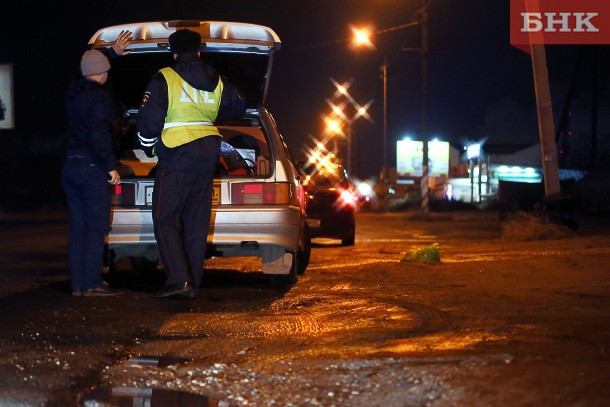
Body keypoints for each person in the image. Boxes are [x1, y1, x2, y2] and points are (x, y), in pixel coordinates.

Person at [137, 28, 246, 298]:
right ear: (198, 50)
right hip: (208, 155)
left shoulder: (165, 78)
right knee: (196, 222)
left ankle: (178, 281)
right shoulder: (217, 80)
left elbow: (149, 121)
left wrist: (151, 148)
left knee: (165, 218)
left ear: (174, 52)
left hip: (177, 154)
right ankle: (192, 282)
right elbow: (240, 105)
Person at [62, 31, 132, 297]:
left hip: (71, 167)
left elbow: (85, 68)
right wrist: (110, 166)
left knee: (78, 228)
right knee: (96, 227)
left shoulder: (73, 92)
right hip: (92, 169)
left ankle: (79, 285)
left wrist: (111, 52)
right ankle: (91, 283)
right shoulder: (100, 97)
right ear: (103, 73)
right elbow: (99, 133)